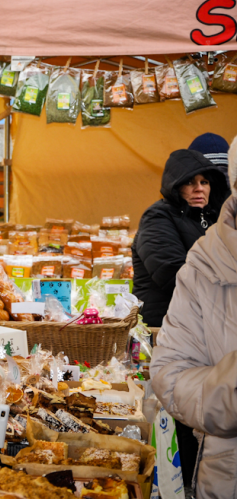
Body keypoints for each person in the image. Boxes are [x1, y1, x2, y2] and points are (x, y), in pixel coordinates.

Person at [132, 148, 228, 491]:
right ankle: (181, 483)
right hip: (166, 332)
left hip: (205, 332)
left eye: (205, 182)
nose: (199, 188)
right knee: (182, 413)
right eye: (190, 183)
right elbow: (170, 273)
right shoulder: (158, 218)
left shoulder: (213, 218)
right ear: (175, 186)